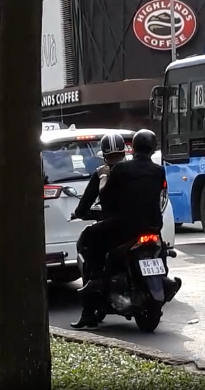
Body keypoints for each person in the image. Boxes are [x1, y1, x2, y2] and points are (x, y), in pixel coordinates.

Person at [75, 130, 166, 297]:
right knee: (161, 245)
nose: (113, 160)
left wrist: (103, 177)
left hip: (124, 226)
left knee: (90, 235)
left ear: (131, 149)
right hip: (153, 225)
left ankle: (95, 282)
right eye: (111, 157)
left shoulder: (116, 170)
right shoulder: (159, 171)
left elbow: (105, 195)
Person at [69, 132, 127, 328]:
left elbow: (86, 203)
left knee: (88, 240)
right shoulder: (137, 169)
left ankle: (91, 298)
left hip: (115, 227)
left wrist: (79, 213)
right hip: (142, 225)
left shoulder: (103, 173)